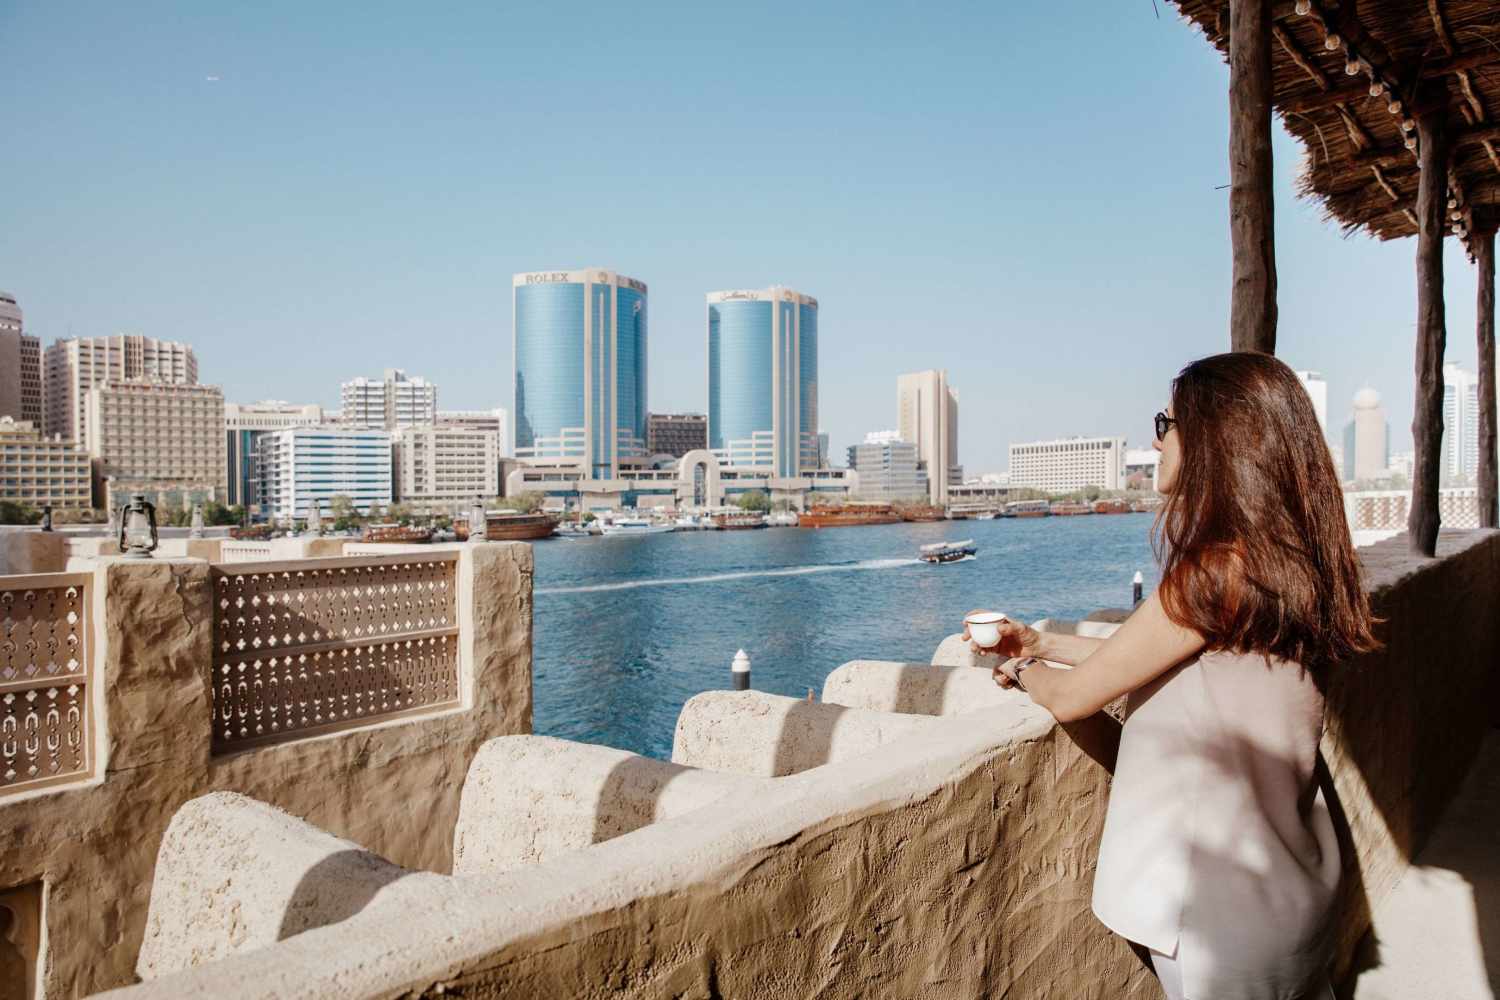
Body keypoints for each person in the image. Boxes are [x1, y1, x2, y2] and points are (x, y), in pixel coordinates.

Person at [963, 353, 1375, 1000]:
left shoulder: (1216, 574)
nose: (1155, 439)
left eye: (1167, 421)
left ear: (1216, 436)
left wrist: (1020, 669)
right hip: (1283, 886)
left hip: (1219, 908)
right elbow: (1155, 653)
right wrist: (1041, 641)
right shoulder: (1285, 565)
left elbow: (1075, 697)